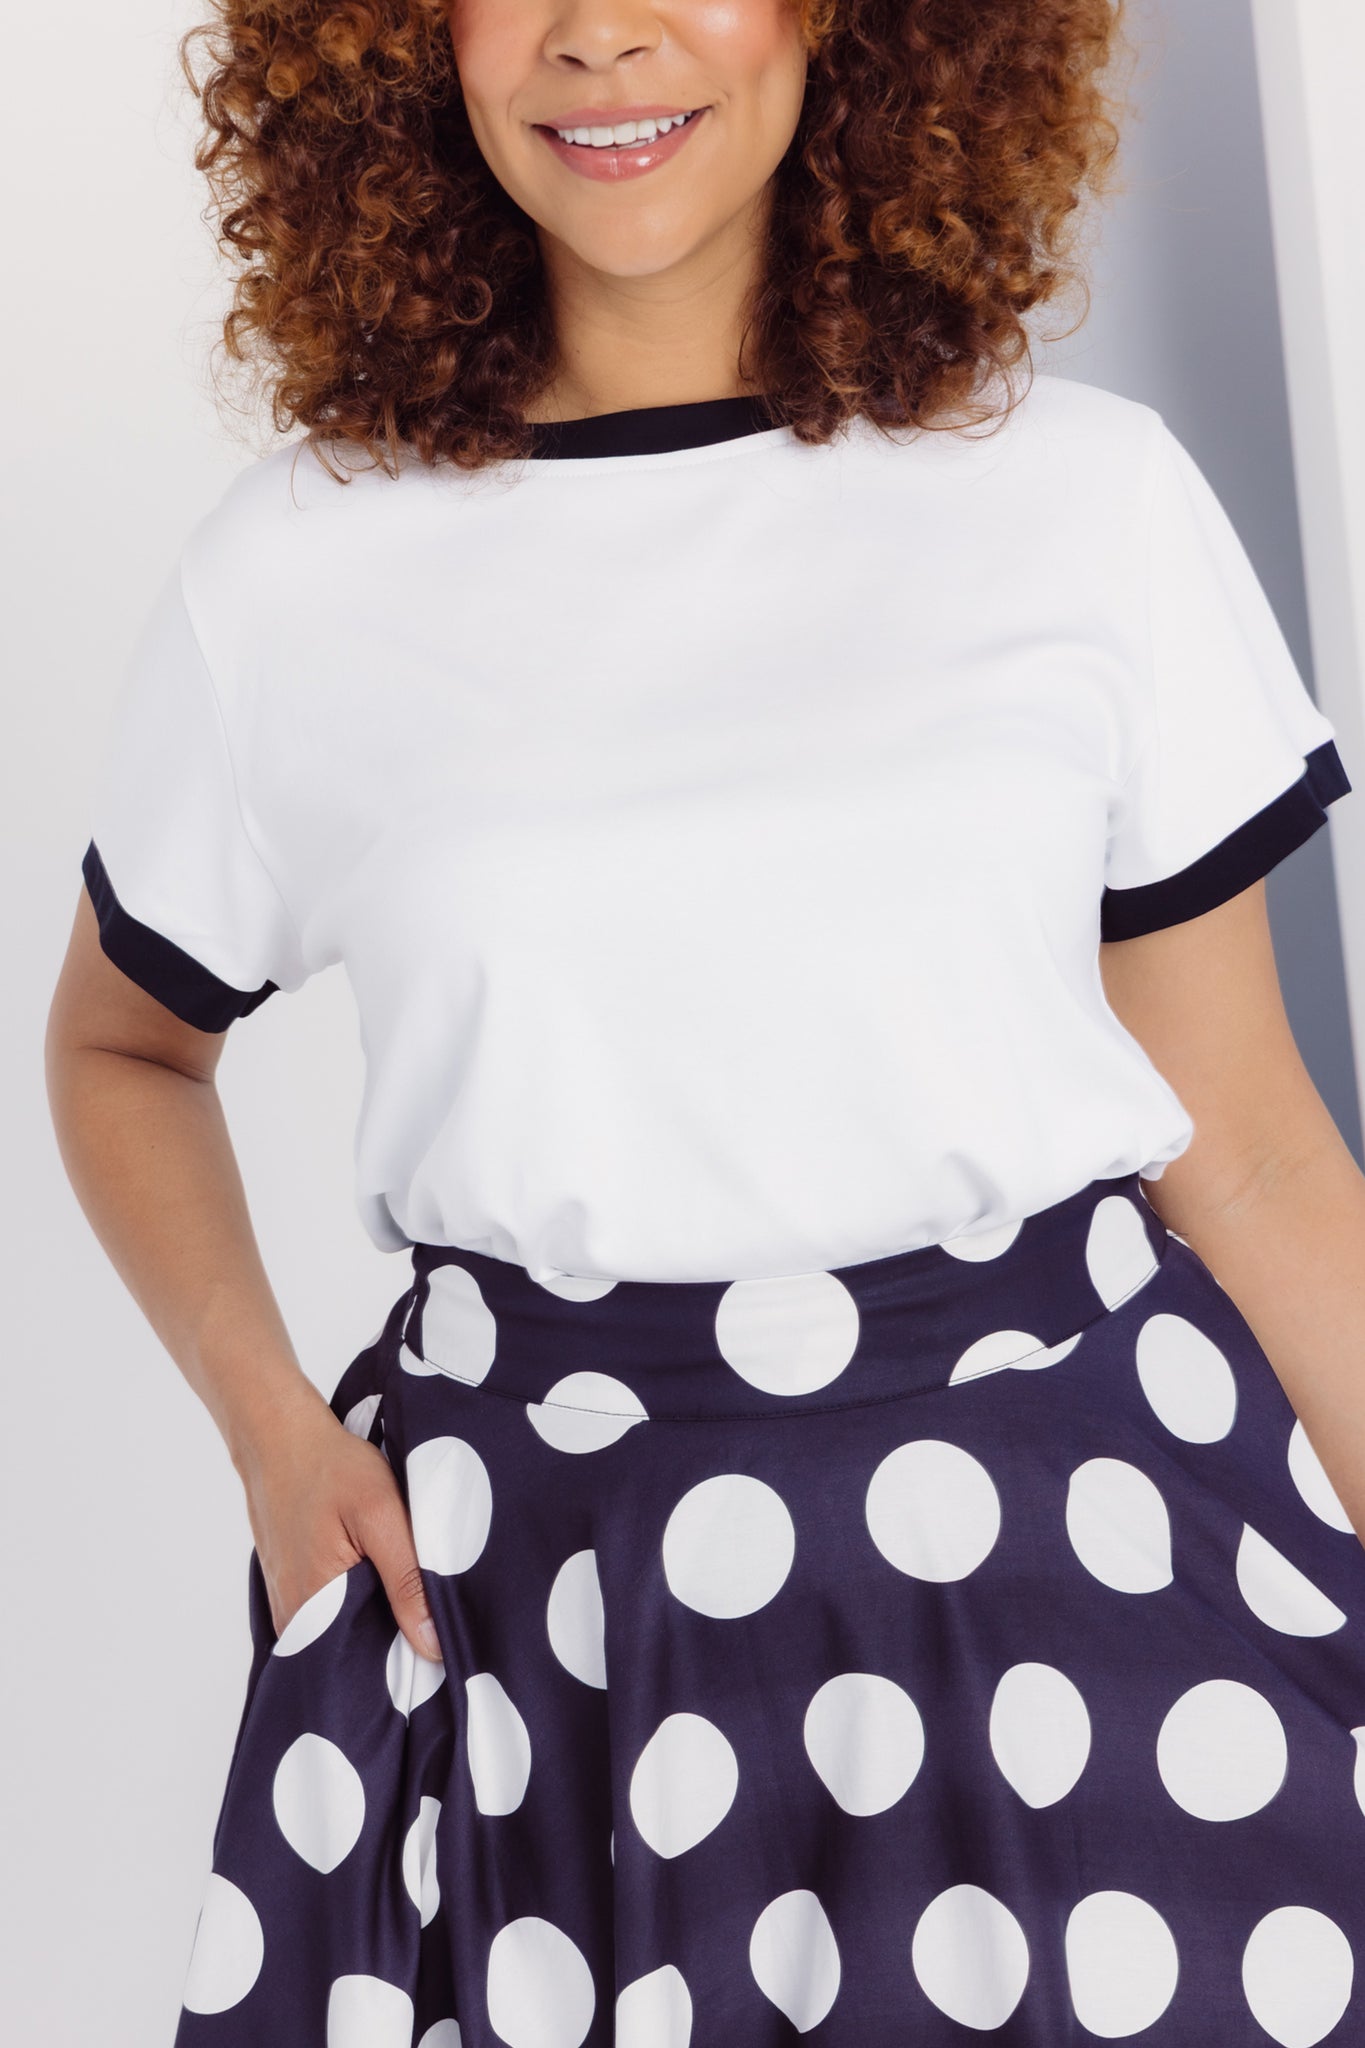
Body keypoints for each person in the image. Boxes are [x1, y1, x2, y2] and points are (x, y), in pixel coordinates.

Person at [44, 0, 1365, 2042]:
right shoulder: (294, 577)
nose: (599, 34)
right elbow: (122, 1046)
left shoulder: (1084, 501)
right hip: (555, 1624)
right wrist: (268, 1429)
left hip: (1086, 1579)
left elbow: (1256, 1154)